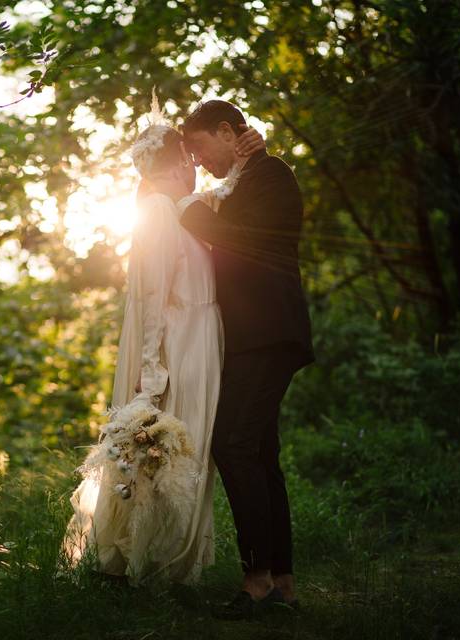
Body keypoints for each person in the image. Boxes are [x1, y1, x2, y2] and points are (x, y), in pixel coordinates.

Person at [61, 94, 265, 588]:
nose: (198, 169)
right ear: (175, 164)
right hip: (181, 347)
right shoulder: (156, 209)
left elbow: (227, 197)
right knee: (171, 453)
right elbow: (152, 298)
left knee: (187, 454)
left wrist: (248, 153)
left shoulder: (181, 207)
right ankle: (147, 566)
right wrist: (152, 373)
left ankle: (171, 565)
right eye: (191, 161)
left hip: (201, 340)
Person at [164, 99, 315, 619]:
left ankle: (257, 580)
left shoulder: (271, 173)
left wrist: (184, 201)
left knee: (231, 442)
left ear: (229, 132)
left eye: (201, 148)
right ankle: (283, 583)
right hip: (253, 337)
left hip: (270, 332)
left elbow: (239, 240)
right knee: (260, 453)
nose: (199, 162)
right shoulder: (238, 181)